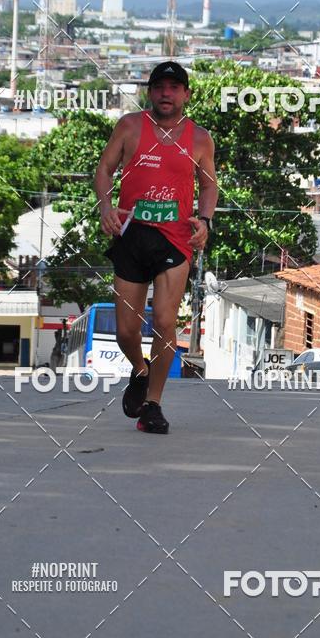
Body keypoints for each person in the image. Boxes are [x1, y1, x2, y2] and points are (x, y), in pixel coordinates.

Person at [94, 61, 218, 434]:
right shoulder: (130, 127)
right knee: (126, 331)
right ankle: (140, 369)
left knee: (165, 322)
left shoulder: (199, 138)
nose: (167, 93)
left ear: (186, 94)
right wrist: (105, 205)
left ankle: (153, 405)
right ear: (151, 93)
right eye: (160, 87)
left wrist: (205, 220)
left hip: (175, 238)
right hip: (131, 235)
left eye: (174, 87)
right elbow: (104, 169)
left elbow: (209, 184)